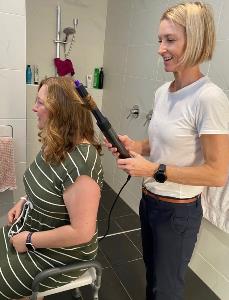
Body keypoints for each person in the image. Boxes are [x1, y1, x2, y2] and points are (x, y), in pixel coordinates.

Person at [105, 2, 229, 300]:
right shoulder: (163, 92)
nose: (161, 48)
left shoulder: (209, 98)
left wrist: (152, 169)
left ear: (196, 40)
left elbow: (217, 173)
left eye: (170, 40)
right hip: (150, 202)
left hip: (179, 213)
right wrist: (136, 147)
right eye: (160, 40)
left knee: (166, 288)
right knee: (153, 274)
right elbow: (163, 143)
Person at [0, 76, 103, 300]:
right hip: (35, 226)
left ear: (61, 112)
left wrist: (28, 240)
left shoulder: (82, 163)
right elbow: (45, 183)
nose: (33, 108)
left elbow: (82, 232)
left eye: (40, 103)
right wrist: (23, 201)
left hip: (65, 253)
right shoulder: (55, 141)